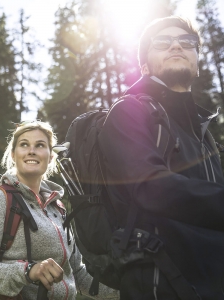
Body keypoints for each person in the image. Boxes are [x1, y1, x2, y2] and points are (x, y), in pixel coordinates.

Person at [98, 16, 224, 299]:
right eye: (162, 43)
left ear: (197, 61)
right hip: (160, 281)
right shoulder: (128, 111)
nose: (176, 46)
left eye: (187, 43)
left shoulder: (205, 135)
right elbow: (149, 186)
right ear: (144, 65)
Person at [0, 121, 77, 299]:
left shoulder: (59, 208)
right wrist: (28, 271)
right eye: (24, 144)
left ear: (50, 157)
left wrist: (132, 283)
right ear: (13, 154)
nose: (31, 151)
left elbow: (77, 272)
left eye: (40, 145)